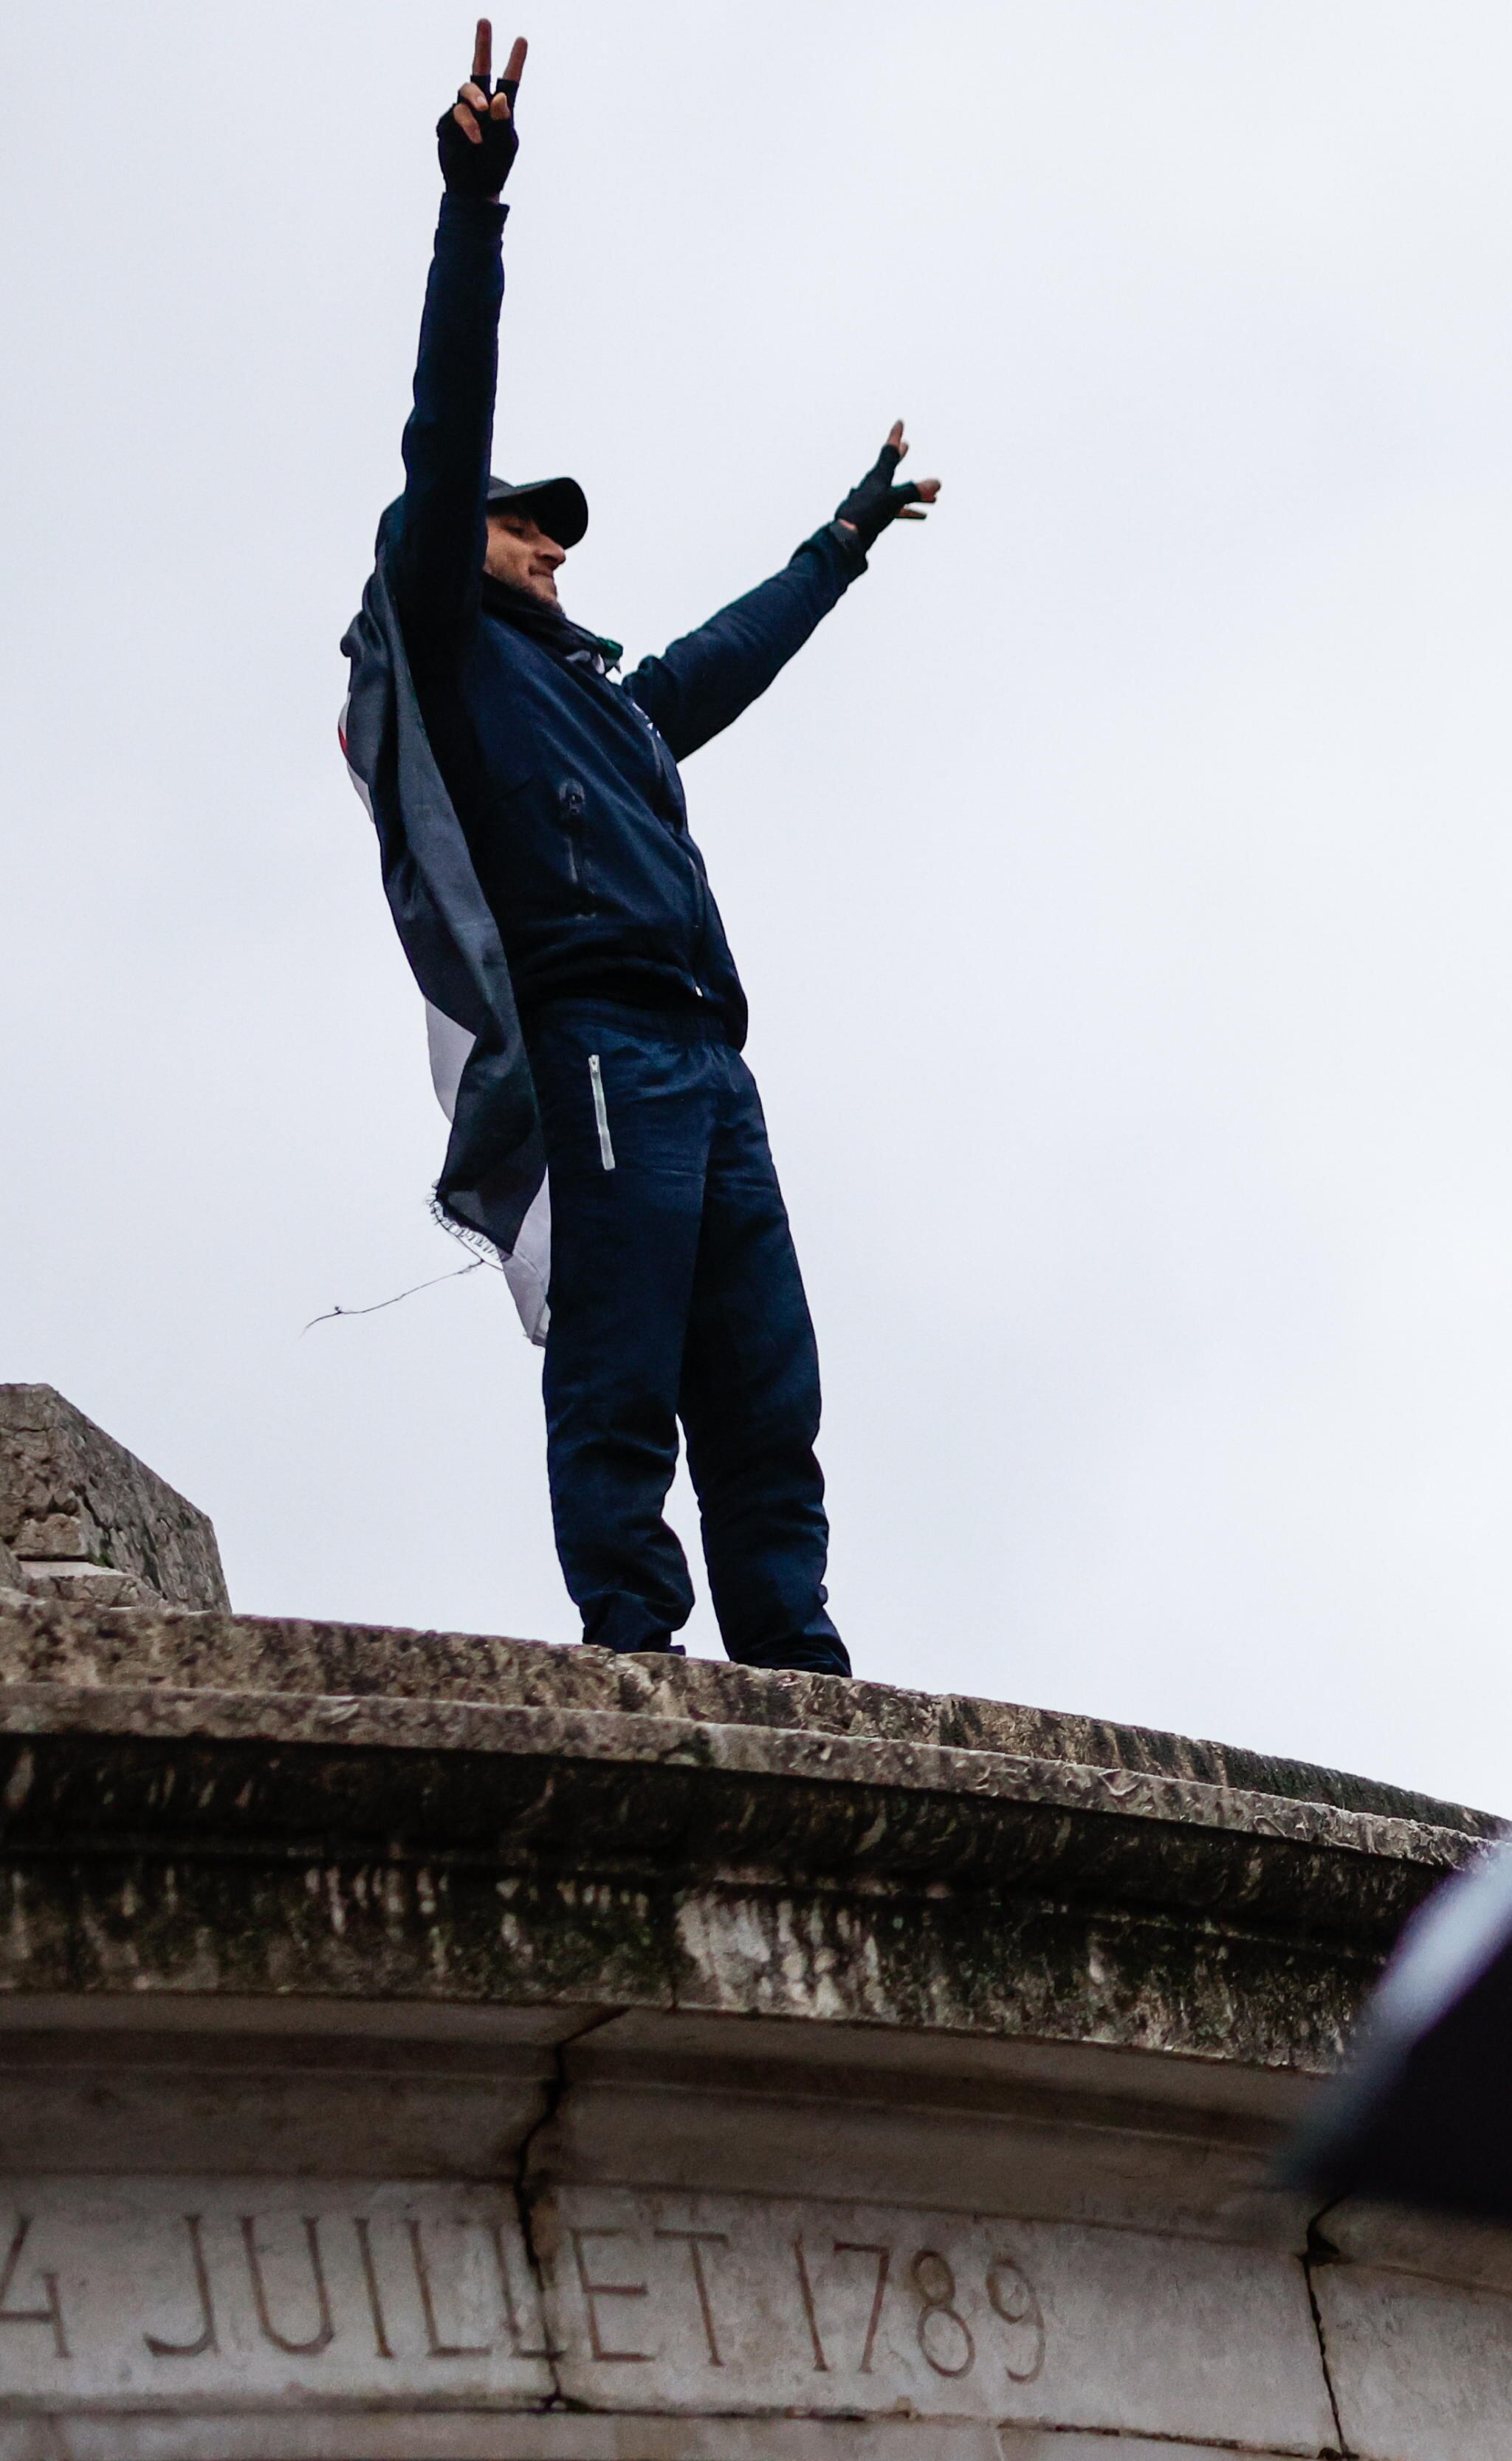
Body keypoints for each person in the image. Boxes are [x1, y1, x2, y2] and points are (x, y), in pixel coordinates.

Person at [342, 22, 938, 1674]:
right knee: (621, 1365)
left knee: (767, 1380)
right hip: (595, 1041)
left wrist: (837, 547)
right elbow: (443, 416)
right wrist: (477, 205)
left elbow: (715, 666)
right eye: (524, 519)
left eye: (554, 530)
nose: (545, 542)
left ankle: (798, 1668)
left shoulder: (603, 702)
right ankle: (632, 1646)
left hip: (711, 1060)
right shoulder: (450, 650)